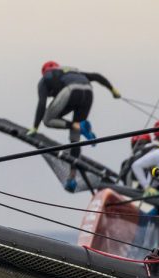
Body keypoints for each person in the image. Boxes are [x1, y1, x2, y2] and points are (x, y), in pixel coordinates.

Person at [27, 60, 121, 191]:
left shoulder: (44, 79)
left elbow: (42, 103)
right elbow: (97, 76)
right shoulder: (71, 71)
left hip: (71, 91)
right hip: (88, 92)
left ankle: (78, 127)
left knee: (47, 120)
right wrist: (113, 90)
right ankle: (72, 178)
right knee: (74, 139)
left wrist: (35, 127)